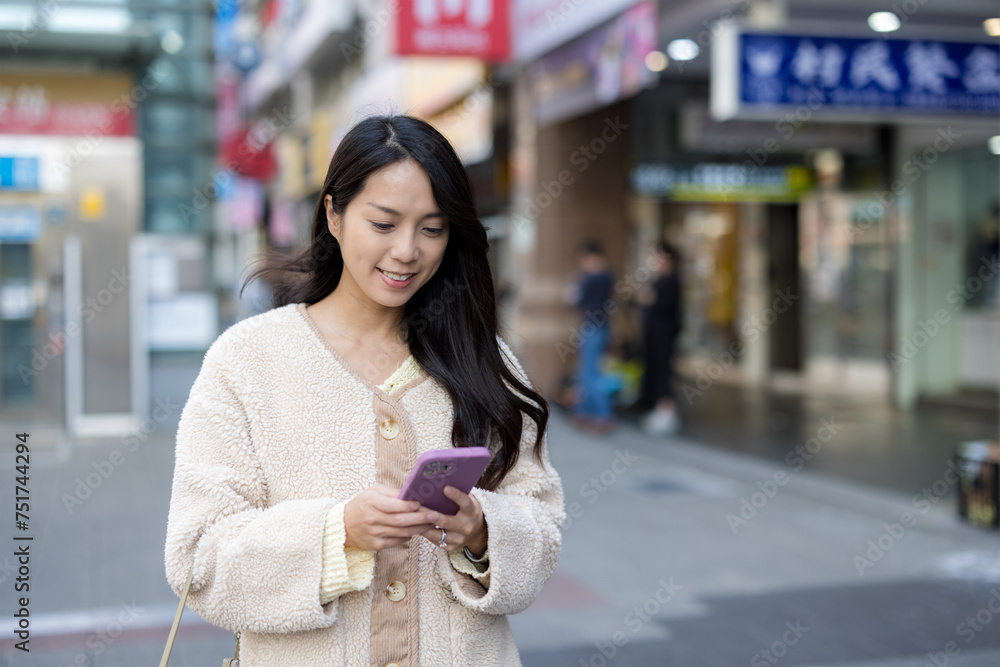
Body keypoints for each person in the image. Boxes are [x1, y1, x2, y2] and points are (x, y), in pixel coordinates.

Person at [163, 115, 565, 667]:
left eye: (432, 228)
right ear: (333, 213)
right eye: (383, 224)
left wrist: (480, 531)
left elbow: (542, 524)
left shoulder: (482, 358)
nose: (407, 251)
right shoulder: (250, 360)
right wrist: (338, 532)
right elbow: (197, 558)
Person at [567, 240, 616, 433]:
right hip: (603, 327)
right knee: (591, 372)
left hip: (591, 328)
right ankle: (585, 413)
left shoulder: (590, 277)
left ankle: (601, 414)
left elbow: (575, 300)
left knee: (589, 374)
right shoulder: (608, 274)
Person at [637, 242, 682, 435]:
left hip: (664, 334)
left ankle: (666, 412)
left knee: (663, 372)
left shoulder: (672, 280)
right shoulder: (658, 279)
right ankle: (657, 409)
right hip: (653, 335)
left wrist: (648, 298)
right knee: (654, 371)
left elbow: (660, 303)